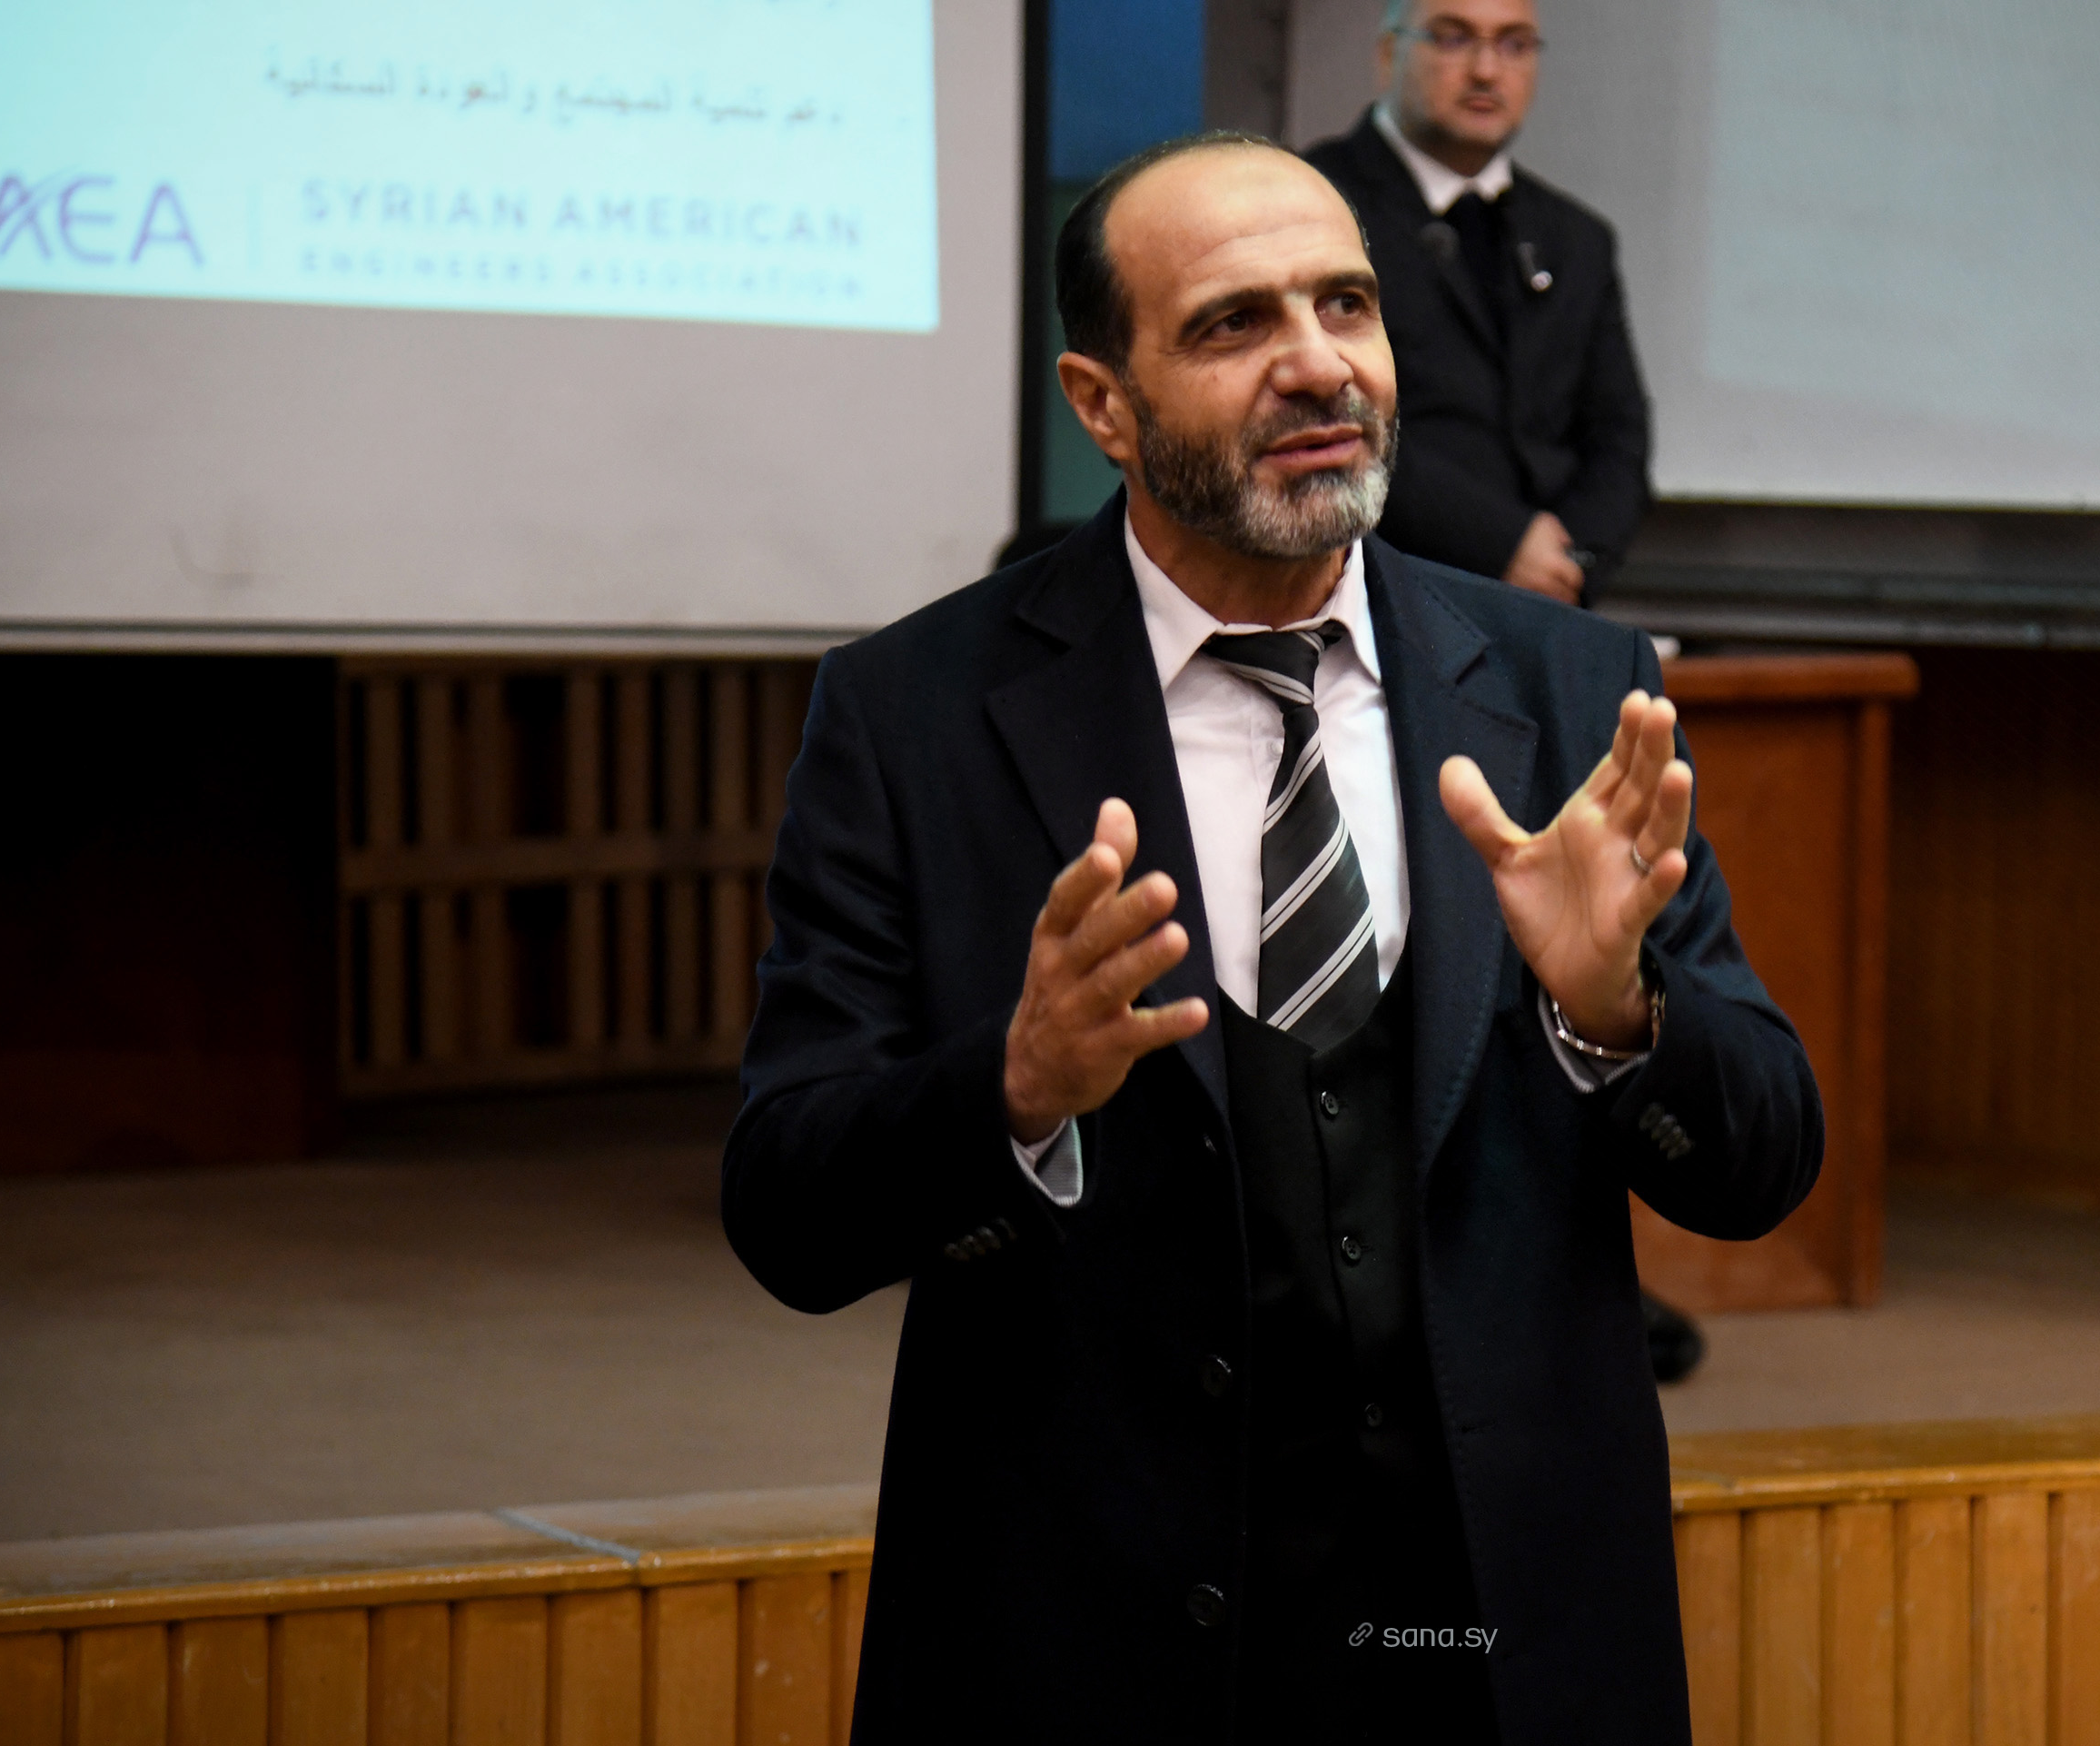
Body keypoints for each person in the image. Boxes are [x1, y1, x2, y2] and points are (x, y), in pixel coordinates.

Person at [721, 131, 1821, 1744]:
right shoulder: (912, 713)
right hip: (1089, 1651)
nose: (1317, 363)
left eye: (1344, 304)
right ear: (1101, 403)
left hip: (1489, 1647)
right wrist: (1009, 1090)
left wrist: (1619, 1010)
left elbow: (1761, 1160)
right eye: (1234, 323)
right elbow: (788, 1212)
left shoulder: (1568, 688)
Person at [1305, 0, 1652, 606]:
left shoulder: (1577, 239)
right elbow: (1329, 416)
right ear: (1388, 54)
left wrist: (1570, 562)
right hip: (1371, 595)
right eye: (1453, 38)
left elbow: (1619, 437)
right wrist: (1499, 546)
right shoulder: (1314, 206)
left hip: (1547, 607)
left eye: (1514, 44)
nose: (1487, 71)